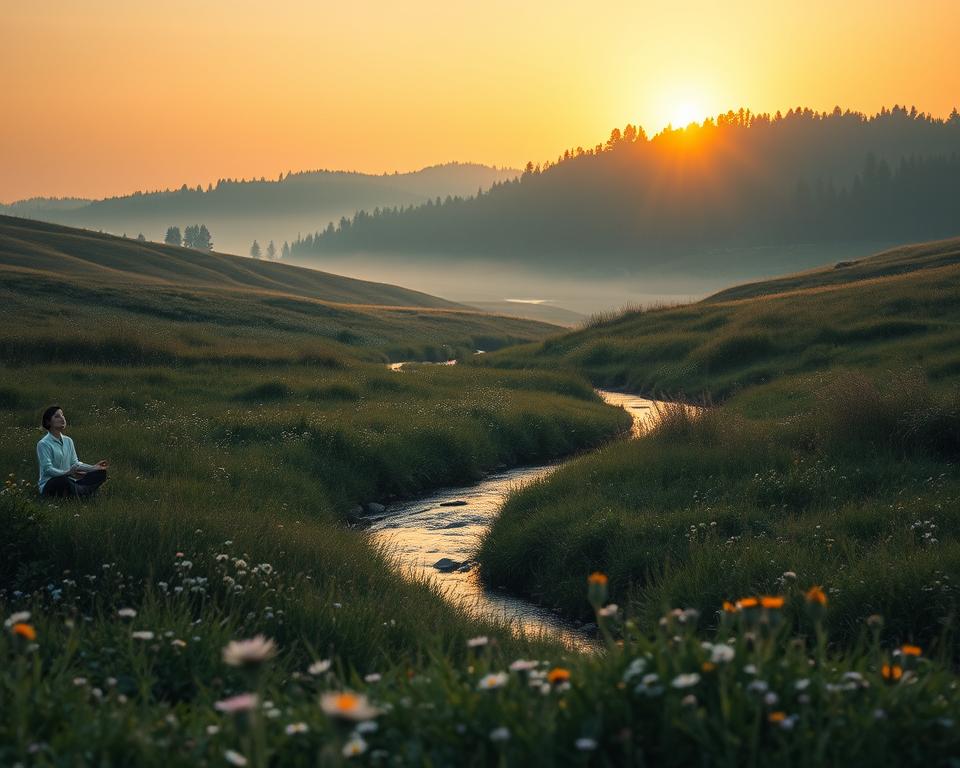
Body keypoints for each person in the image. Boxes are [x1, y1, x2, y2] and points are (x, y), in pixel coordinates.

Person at [36, 405, 109, 498]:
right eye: (57, 416)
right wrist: (67, 472)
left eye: (62, 415)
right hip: (51, 484)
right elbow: (48, 469)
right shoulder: (43, 444)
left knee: (101, 473)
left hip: (70, 482)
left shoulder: (68, 441)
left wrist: (93, 468)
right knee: (62, 480)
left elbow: (75, 463)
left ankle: (78, 492)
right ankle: (83, 492)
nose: (62, 418)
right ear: (48, 421)